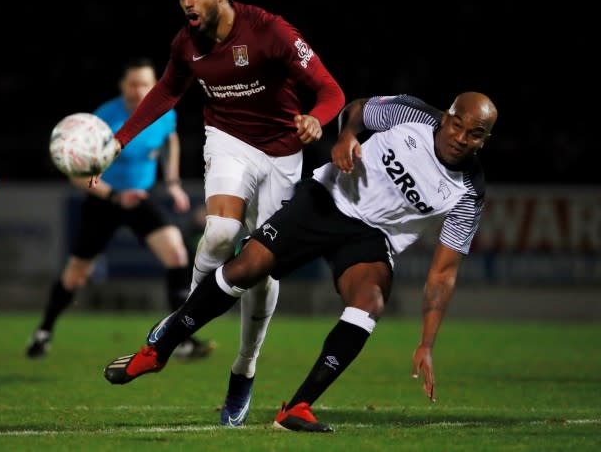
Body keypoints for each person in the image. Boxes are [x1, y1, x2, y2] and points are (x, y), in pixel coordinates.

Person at [103, 92, 498, 433]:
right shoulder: (412, 113)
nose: (461, 138)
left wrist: (426, 343)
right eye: (457, 125)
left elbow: (443, 273)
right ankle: (158, 352)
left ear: (485, 140)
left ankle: (297, 407)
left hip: (371, 237)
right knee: (246, 267)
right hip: (327, 198)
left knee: (370, 301)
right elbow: (358, 109)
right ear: (446, 117)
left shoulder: (468, 194)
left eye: (474, 134)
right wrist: (345, 136)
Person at [91, 0, 346, 427]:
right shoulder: (186, 44)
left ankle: (244, 369)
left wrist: (317, 119)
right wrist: (118, 141)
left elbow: (332, 92)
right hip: (228, 141)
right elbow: (166, 93)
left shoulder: (272, 32)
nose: (187, 2)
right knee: (220, 232)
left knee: (263, 272)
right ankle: (180, 325)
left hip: (284, 152)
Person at [26, 57, 215, 360]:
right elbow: (76, 173)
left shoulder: (163, 111)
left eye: (146, 84)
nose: (140, 91)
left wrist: (173, 181)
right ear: (122, 86)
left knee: (177, 254)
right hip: (105, 201)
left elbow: (170, 140)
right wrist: (114, 196)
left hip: (142, 197)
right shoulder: (101, 120)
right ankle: (43, 332)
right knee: (76, 274)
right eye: (133, 84)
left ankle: (179, 338)